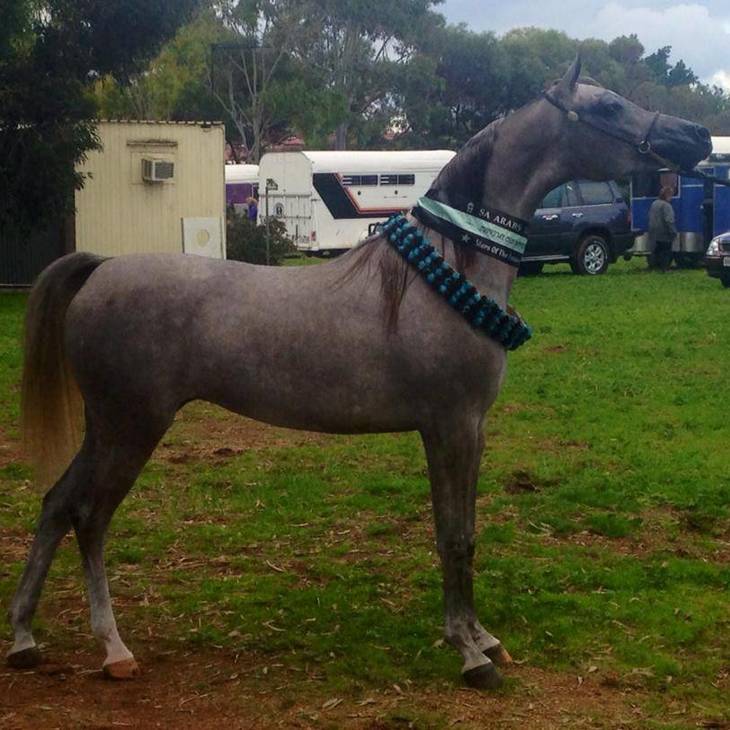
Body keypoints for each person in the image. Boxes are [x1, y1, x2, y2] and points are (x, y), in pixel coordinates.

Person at [648, 186, 677, 271]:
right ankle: (665, 268)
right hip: (664, 232)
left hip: (653, 231)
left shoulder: (654, 203)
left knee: (656, 250)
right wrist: (673, 231)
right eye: (671, 195)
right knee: (666, 251)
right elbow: (669, 220)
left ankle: (654, 266)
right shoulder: (667, 206)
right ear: (668, 195)